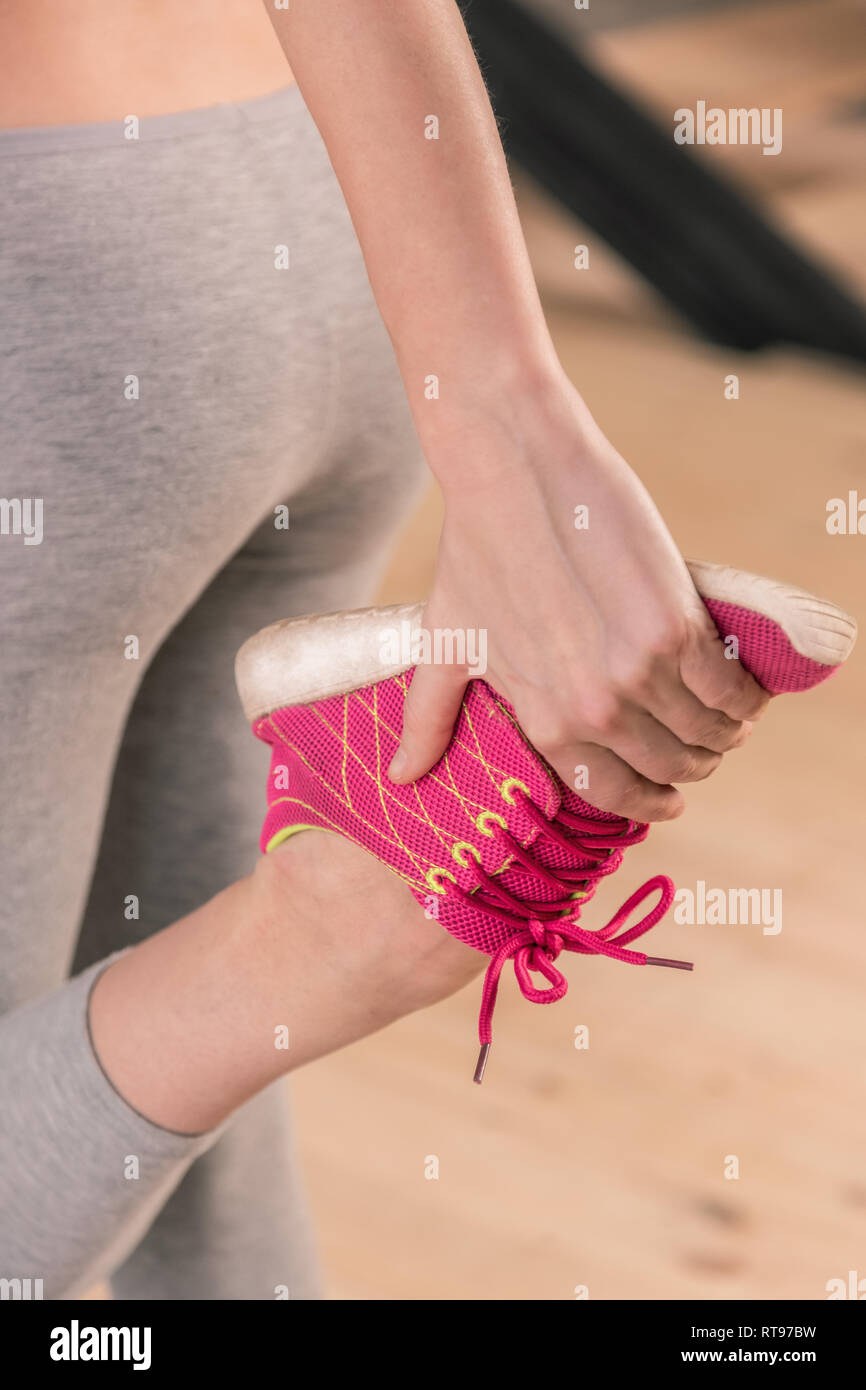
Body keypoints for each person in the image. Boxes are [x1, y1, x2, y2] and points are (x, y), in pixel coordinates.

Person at [0, 1, 766, 1299]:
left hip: (48, 308)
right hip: (315, 185)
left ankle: (308, 936)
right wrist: (494, 391)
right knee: (164, 1134)